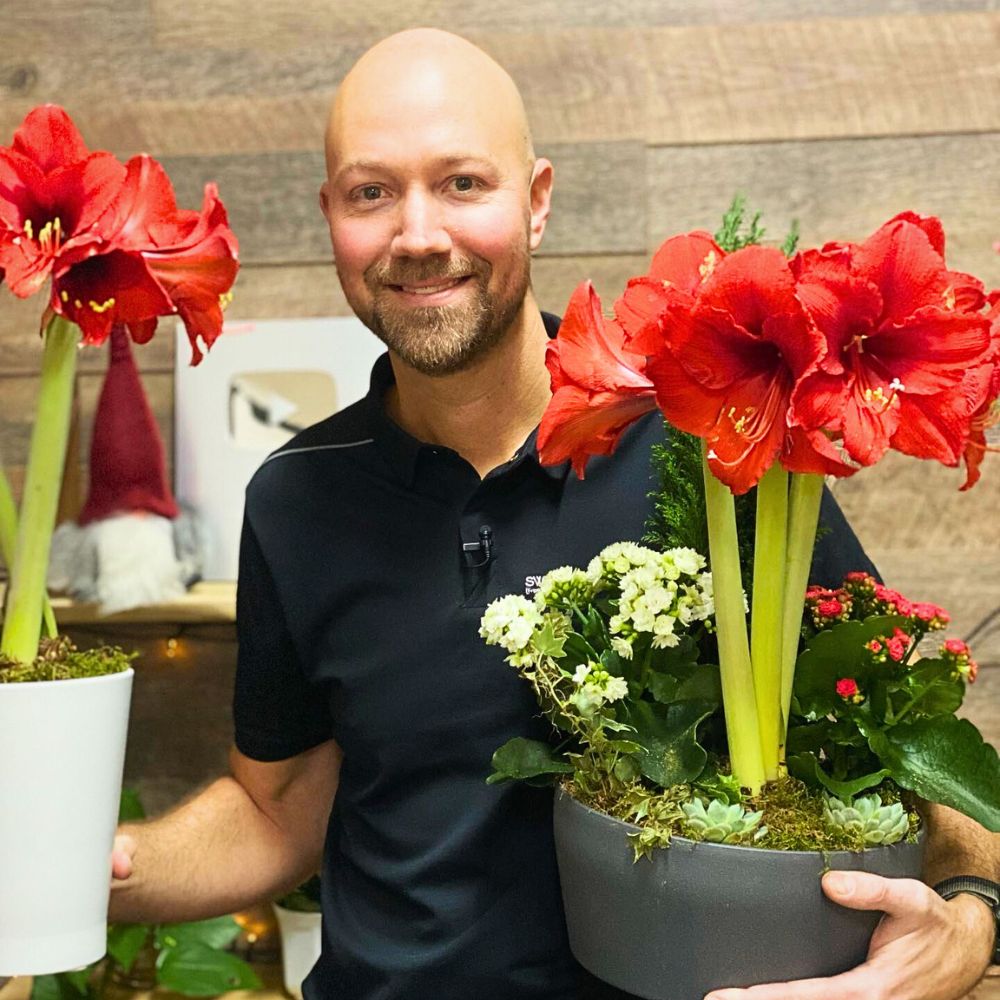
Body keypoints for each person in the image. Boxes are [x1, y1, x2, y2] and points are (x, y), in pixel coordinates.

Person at [108, 28, 998, 1000]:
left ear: (535, 202)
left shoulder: (711, 442)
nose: (415, 234)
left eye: (461, 183)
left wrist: (966, 920)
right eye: (371, 191)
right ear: (330, 214)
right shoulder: (296, 495)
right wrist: (80, 867)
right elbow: (277, 811)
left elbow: (905, 741)